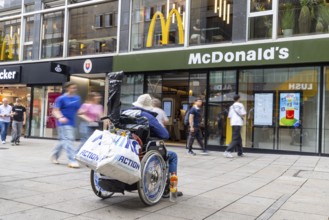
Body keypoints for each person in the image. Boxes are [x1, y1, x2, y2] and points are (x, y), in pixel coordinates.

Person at [122, 94, 182, 198]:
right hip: (142, 151)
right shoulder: (147, 116)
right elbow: (165, 135)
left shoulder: (124, 113)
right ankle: (171, 188)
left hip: (124, 148)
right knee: (172, 156)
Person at [50, 82, 81, 168]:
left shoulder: (77, 98)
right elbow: (55, 111)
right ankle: (72, 160)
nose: (74, 89)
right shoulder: (61, 98)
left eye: (75, 88)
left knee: (63, 141)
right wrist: (60, 117)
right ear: (67, 88)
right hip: (63, 123)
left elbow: (78, 110)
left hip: (72, 123)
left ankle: (54, 155)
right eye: (72, 88)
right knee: (69, 140)